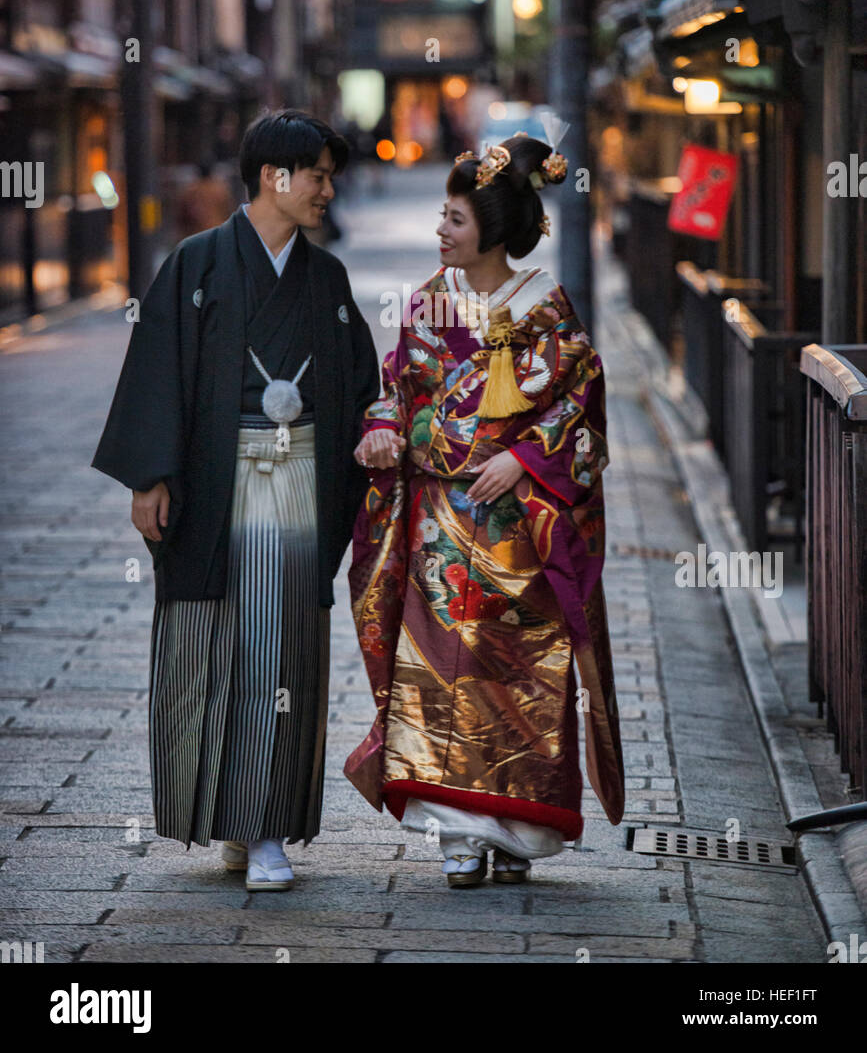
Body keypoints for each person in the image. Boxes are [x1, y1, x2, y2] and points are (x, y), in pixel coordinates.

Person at [91, 110, 380, 891]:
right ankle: (230, 815)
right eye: (316, 174)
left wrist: (377, 433)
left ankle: (264, 830)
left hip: (296, 479)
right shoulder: (196, 264)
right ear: (273, 178)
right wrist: (150, 475)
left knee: (281, 648)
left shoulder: (328, 279)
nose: (327, 189)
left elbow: (361, 386)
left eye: (328, 176)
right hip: (217, 480)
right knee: (210, 648)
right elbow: (158, 369)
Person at [346, 134, 624, 887]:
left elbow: (580, 407)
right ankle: (458, 837)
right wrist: (380, 428)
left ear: (493, 230)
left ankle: (516, 828)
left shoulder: (547, 308)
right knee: (438, 670)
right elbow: (398, 386)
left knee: (522, 674)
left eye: (455, 219)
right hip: (439, 521)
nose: (441, 230)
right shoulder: (428, 303)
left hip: (518, 526)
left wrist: (526, 457)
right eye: (440, 216)